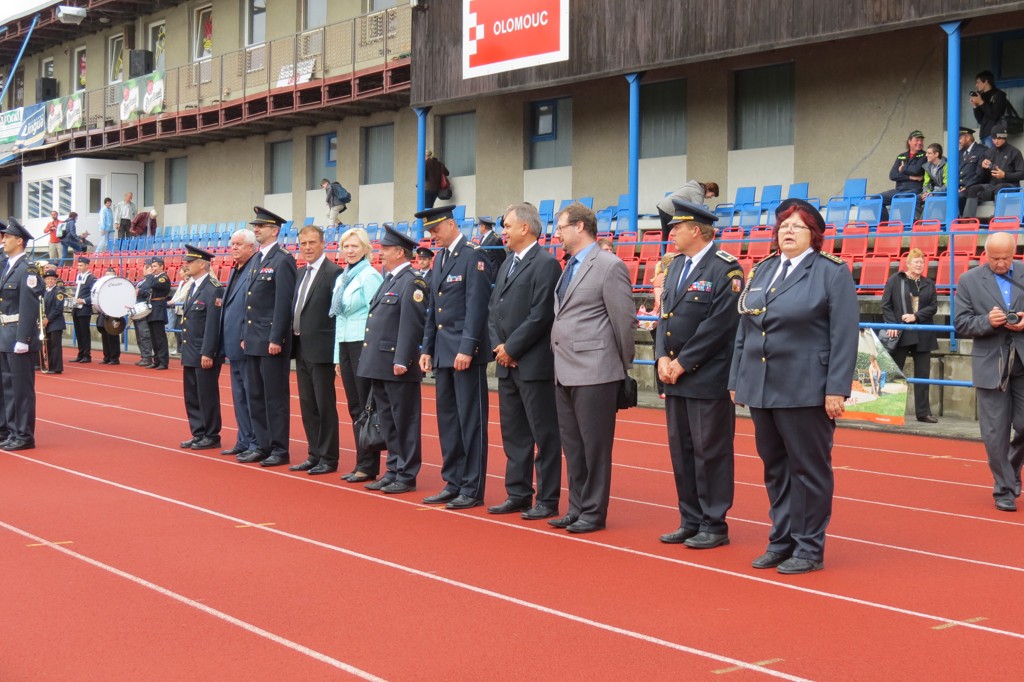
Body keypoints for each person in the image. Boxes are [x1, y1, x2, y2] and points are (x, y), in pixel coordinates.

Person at [729, 199, 859, 574]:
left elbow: (844, 335)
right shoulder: (763, 269)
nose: (787, 231)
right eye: (784, 225)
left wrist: (836, 388)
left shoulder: (830, 272)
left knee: (809, 469)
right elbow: (745, 329)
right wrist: (737, 378)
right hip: (763, 386)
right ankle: (782, 539)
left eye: (797, 226)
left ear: (814, 235)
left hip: (806, 387)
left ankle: (809, 546)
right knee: (775, 468)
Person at [655, 200, 743, 550]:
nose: (671, 232)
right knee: (682, 451)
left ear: (697, 230)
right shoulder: (676, 266)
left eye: (677, 227)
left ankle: (714, 522)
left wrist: (682, 362)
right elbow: (666, 316)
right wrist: (661, 356)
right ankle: (690, 518)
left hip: (705, 377)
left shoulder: (726, 270)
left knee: (711, 451)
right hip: (675, 376)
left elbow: (720, 325)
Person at [549, 202, 637, 533]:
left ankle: (594, 511)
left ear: (581, 227)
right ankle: (577, 506)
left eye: (561, 227)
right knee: (572, 446)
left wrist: (619, 366)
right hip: (565, 369)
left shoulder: (609, 266)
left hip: (596, 371)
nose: (557, 234)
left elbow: (624, 321)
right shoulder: (568, 266)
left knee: (594, 447)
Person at [487, 203, 563, 520]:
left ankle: (547, 498)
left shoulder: (545, 264)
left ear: (525, 228)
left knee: (544, 434)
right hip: (508, 364)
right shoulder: (508, 263)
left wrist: (512, 348)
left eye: (507, 225)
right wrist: (499, 347)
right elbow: (494, 310)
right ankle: (517, 493)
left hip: (533, 365)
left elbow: (541, 315)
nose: (503, 231)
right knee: (514, 434)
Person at [418, 205, 494, 510]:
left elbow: (477, 307)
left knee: (470, 421)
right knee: (448, 420)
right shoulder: (440, 259)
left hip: (464, 352)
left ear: (451, 224)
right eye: (430, 232)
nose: (433, 236)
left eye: (436, 229)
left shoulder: (473, 255)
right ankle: (453, 480)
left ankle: (472, 487)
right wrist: (426, 348)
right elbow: (433, 310)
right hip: (443, 351)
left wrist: (468, 347)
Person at [953, 232, 1024, 512]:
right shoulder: (968, 280)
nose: (1000, 263)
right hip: (990, 364)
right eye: (994, 258)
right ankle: (1004, 489)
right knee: (995, 433)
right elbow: (961, 324)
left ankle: (1012, 469)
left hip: (1021, 361)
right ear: (985, 253)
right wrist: (987, 321)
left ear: (1014, 252)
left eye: (1006, 258)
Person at [357, 225, 429, 494]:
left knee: (405, 421)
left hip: (397, 365)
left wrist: (403, 359)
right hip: (380, 363)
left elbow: (412, 325)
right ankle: (393, 468)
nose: (381, 253)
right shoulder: (389, 279)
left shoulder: (412, 281)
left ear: (400, 252)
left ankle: (406, 473)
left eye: (386, 249)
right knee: (387, 420)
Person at [237, 206, 297, 468]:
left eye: (260, 226)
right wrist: (244, 334)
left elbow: (283, 304)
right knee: (256, 395)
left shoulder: (283, 259)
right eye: (255, 226)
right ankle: (261, 445)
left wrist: (276, 338)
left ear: (275, 230)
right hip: (253, 338)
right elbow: (249, 302)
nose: (256, 230)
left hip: (271, 341)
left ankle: (279, 448)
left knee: (274, 398)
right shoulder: (257, 259)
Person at [330, 227, 384, 483]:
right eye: (346, 246)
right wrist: (336, 357)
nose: (349, 251)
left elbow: (377, 316)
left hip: (363, 344)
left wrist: (371, 351)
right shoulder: (343, 277)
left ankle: (368, 464)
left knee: (366, 406)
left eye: (355, 246)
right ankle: (361, 460)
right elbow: (339, 319)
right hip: (345, 344)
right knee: (354, 407)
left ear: (365, 249)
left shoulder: (370, 276)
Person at [288, 226, 343, 476]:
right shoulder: (299, 273)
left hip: (322, 350)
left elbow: (337, 314)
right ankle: (314, 453)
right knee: (307, 404)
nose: (307, 248)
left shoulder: (334, 273)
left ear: (323, 243)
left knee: (324, 405)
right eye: (303, 243)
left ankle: (329, 457)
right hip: (300, 348)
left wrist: (336, 352)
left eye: (312, 243)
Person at [0, 218, 44, 450]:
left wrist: (23, 339)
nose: (3, 240)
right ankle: (9, 430)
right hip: (4, 334)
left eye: (7, 236)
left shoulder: (27, 269)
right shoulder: (7, 266)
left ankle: (23, 435)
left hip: (17, 335)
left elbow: (29, 307)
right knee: (6, 388)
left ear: (19, 241)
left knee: (20, 390)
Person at [881, 247, 939, 423]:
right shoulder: (895, 280)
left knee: (923, 375)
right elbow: (886, 304)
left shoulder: (929, 283)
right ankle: (889, 410)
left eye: (922, 262)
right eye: (916, 261)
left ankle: (923, 413)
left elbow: (933, 307)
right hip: (902, 333)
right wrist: (892, 325)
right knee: (895, 373)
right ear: (908, 263)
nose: (920, 265)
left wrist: (916, 316)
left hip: (923, 334)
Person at [178, 245, 224, 451]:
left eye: (190, 262)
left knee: (207, 395)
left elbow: (213, 324)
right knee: (192, 395)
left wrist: (208, 352)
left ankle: (211, 434)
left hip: (203, 351)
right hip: (190, 349)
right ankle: (198, 432)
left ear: (202, 264)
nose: (186, 264)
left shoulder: (213, 288)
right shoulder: (193, 285)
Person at [218, 229, 259, 458]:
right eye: (232, 244)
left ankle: (255, 441)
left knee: (251, 396)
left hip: (246, 343)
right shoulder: (236, 269)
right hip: (233, 344)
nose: (234, 247)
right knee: (239, 396)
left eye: (239, 244)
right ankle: (243, 439)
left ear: (251, 247)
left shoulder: (253, 268)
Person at [962, 123, 1024, 218]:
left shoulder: (1015, 152)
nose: (996, 141)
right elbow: (982, 177)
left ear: (1004, 137)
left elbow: (1022, 174)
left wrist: (1005, 175)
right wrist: (982, 167)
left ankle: (998, 218)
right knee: (973, 189)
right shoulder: (989, 152)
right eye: (994, 138)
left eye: (999, 138)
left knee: (1000, 187)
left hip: (1010, 186)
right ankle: (968, 220)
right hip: (992, 186)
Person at [649, 251, 678, 398]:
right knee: (661, 354)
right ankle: (662, 388)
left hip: (666, 319)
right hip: (661, 320)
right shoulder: (661, 278)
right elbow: (661, 301)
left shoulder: (670, 277)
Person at [880, 131, 927, 214]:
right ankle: (884, 225)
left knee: (902, 198)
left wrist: (903, 170)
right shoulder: (901, 156)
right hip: (899, 189)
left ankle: (907, 225)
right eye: (917, 140)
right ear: (909, 141)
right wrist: (911, 177)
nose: (919, 142)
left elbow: (916, 170)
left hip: (915, 190)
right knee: (876, 199)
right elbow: (893, 175)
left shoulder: (924, 155)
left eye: (921, 140)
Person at [144, 257, 172, 370]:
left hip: (158, 309)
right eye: (152, 267)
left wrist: (149, 275)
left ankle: (163, 361)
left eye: (155, 266)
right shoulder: (155, 278)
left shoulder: (163, 278)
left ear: (161, 266)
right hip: (152, 309)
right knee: (153, 337)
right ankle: (156, 360)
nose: (153, 269)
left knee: (159, 337)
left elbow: (153, 285)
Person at [971, 70, 1009, 147]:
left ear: (986, 82)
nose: (976, 85)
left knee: (992, 158)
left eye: (978, 82)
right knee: (983, 158)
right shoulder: (982, 96)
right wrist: (975, 106)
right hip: (983, 135)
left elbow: (995, 116)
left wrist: (981, 102)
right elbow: (980, 120)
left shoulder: (999, 95)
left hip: (994, 136)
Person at [68, 257, 95, 363]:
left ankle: (87, 355)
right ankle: (80, 353)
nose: (79, 267)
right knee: (78, 332)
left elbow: (94, 294)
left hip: (84, 308)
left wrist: (83, 300)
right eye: (78, 265)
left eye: (81, 265)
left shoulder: (91, 278)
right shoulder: (78, 276)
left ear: (87, 266)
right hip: (76, 308)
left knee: (84, 333)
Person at [96, 266, 123, 366]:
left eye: (110, 276)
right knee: (104, 334)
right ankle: (106, 356)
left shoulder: (119, 286)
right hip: (104, 312)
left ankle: (114, 358)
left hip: (114, 312)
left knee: (113, 334)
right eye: (106, 275)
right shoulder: (102, 286)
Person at [41, 268, 65, 374]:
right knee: (49, 346)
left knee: (55, 347)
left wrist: (48, 319)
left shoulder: (58, 291)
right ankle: (51, 366)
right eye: (48, 279)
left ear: (55, 280)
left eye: (52, 279)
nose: (50, 281)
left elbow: (58, 309)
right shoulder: (45, 291)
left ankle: (57, 367)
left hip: (55, 323)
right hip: (48, 323)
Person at [957, 126, 988, 213]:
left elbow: (980, 174)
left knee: (960, 196)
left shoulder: (981, 150)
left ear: (967, 137)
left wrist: (966, 187)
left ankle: (964, 221)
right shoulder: (960, 152)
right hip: (960, 187)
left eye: (960, 138)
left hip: (973, 187)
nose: (958, 141)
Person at [133, 262, 156, 367]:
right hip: (137, 310)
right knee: (139, 335)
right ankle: (143, 355)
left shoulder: (150, 280)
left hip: (143, 311)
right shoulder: (142, 281)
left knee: (144, 335)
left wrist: (139, 291)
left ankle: (147, 357)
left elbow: (149, 291)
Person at [168, 264, 191, 356]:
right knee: (177, 329)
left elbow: (184, 294)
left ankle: (184, 349)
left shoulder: (191, 282)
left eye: (181, 271)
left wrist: (174, 301)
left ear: (186, 272)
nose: (179, 272)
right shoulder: (182, 282)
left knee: (183, 330)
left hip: (184, 309)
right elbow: (177, 293)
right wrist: (172, 301)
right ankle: (179, 348)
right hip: (177, 309)